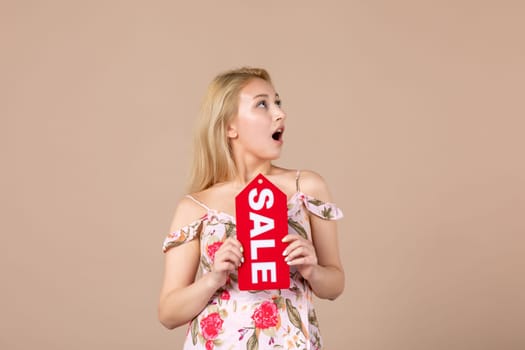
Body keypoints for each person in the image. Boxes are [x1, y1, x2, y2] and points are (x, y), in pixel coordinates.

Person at [158, 67, 344, 350]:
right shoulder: (194, 207)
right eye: (262, 104)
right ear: (230, 126)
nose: (280, 114)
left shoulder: (306, 188)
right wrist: (213, 279)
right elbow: (168, 313)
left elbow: (335, 283)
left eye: (277, 103)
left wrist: (312, 270)